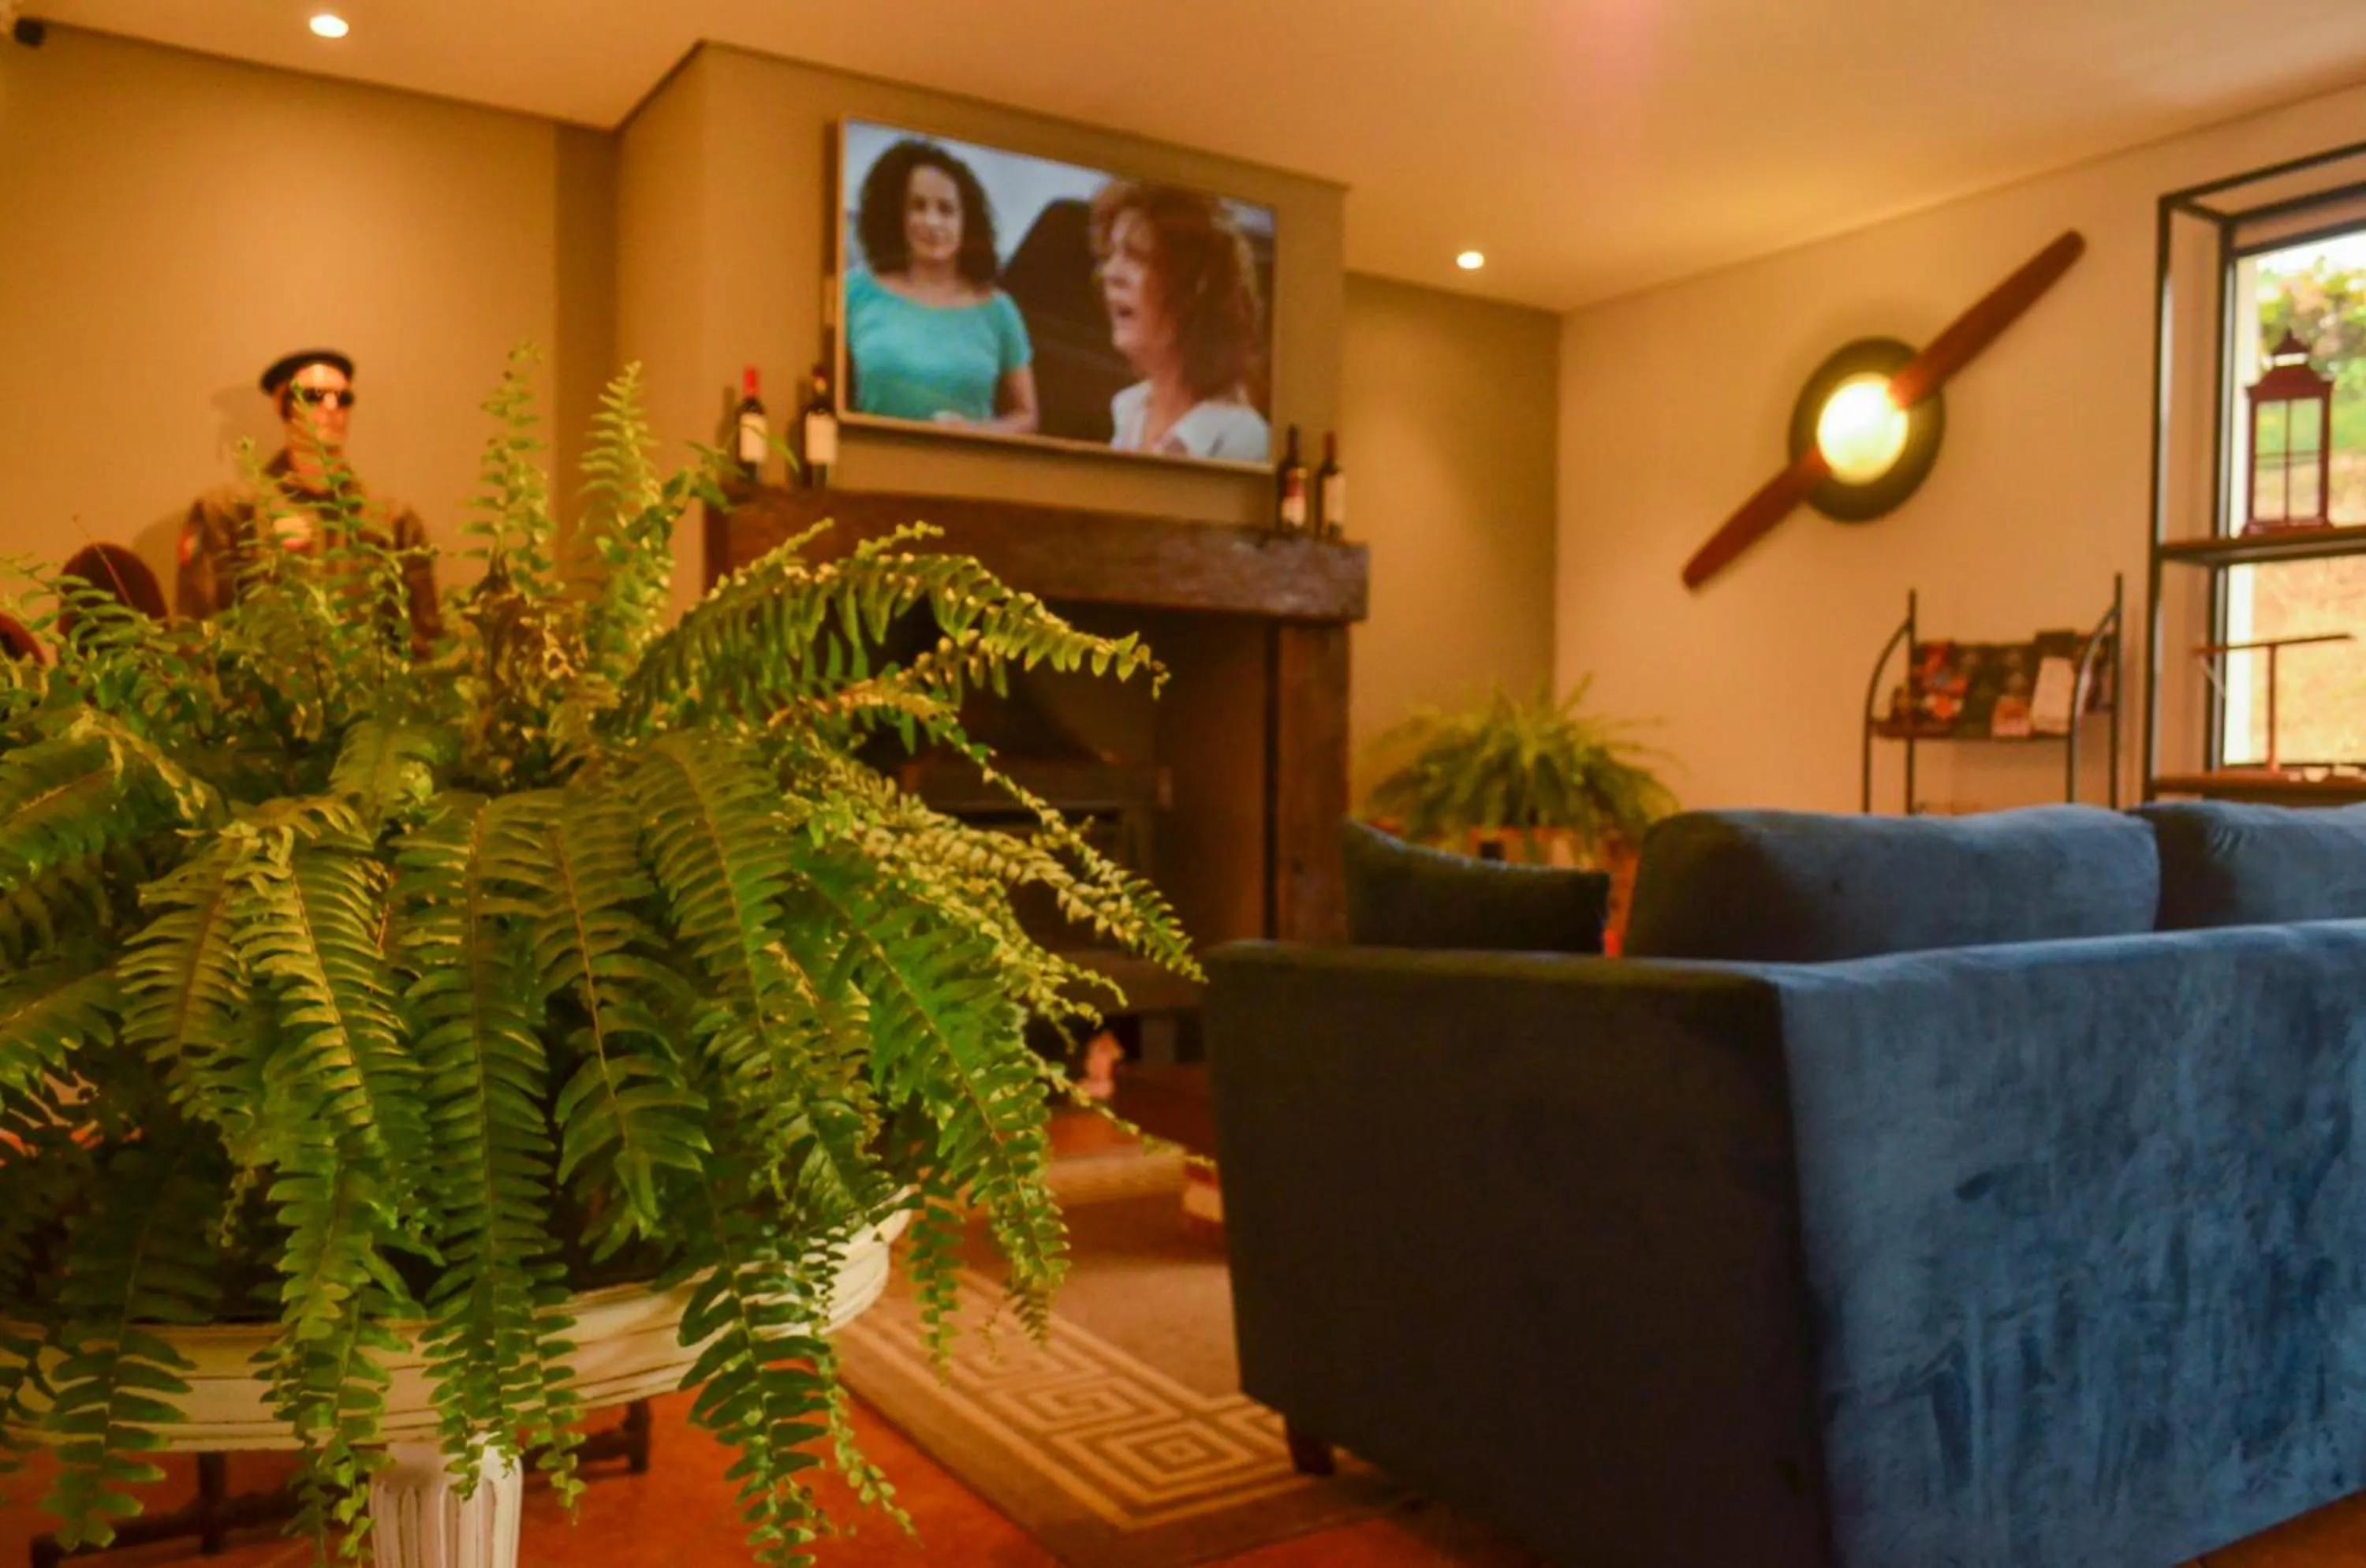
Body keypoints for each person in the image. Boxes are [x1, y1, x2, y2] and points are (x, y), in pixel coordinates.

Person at [177, 349, 442, 653]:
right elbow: (197, 635)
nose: (331, 407)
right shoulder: (227, 511)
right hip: (264, 695)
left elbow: (425, 641)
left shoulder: (392, 519)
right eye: (314, 395)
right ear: (281, 403)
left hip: (369, 694)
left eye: (343, 399)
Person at [845, 138, 1039, 435]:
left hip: (968, 475)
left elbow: (1027, 416)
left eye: (946, 210)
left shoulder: (999, 310)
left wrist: (975, 432)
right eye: (918, 207)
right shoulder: (855, 291)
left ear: (967, 221)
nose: (932, 222)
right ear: (896, 215)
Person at [1092, 183, 1271, 463]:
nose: (1110, 274)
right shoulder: (1129, 409)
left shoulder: (1241, 437)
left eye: (1136, 257)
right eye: (1109, 255)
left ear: (1195, 290)